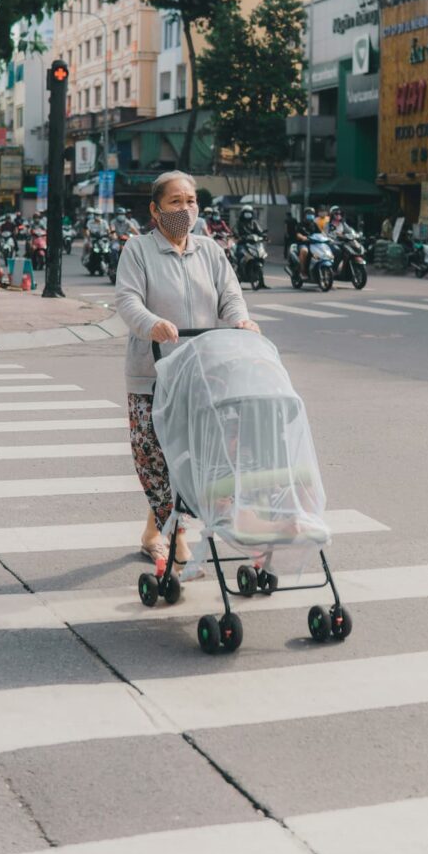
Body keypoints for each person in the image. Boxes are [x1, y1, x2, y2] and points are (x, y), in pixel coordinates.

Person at [115, 170, 260, 574]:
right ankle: (171, 531)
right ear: (155, 209)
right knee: (156, 456)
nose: (185, 209)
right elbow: (127, 300)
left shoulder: (210, 250)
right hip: (154, 372)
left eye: (191, 201)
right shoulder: (138, 251)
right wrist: (151, 324)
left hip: (203, 372)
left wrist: (241, 321)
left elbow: (231, 295)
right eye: (175, 202)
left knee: (194, 455)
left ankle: (162, 528)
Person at [295, 207, 319, 276]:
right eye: (309, 214)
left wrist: (326, 237)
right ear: (305, 215)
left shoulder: (314, 224)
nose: (311, 215)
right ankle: (302, 270)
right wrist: (302, 237)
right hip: (304, 244)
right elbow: (297, 234)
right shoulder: (300, 224)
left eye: (312, 214)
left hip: (314, 244)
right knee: (304, 251)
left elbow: (320, 233)